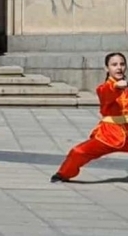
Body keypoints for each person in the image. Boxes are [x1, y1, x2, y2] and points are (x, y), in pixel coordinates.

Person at [51, 52, 128, 182]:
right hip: (109, 134)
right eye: (114, 65)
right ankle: (63, 174)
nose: (119, 67)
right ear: (107, 68)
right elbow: (107, 92)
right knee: (78, 152)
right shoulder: (103, 88)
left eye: (122, 64)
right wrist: (116, 85)